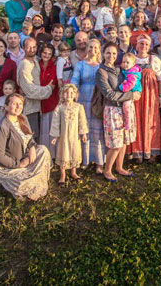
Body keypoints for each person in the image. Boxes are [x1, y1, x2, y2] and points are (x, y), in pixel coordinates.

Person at [0, 93, 51, 201]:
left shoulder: (23, 118)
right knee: (24, 184)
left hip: (23, 157)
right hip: (7, 166)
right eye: (14, 104)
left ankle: (28, 178)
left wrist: (32, 147)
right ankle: (11, 183)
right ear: (6, 106)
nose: (18, 107)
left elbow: (29, 137)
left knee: (43, 150)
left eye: (20, 104)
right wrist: (18, 164)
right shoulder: (3, 126)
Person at [96, 43, 140, 181]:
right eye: (108, 53)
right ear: (103, 54)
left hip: (125, 108)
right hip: (112, 109)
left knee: (125, 140)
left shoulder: (119, 68)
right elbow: (109, 94)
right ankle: (107, 170)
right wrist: (131, 96)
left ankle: (119, 167)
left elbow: (133, 78)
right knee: (116, 144)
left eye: (114, 54)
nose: (111, 56)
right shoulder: (101, 72)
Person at [71, 38, 104, 171]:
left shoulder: (102, 65)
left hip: (97, 98)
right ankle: (85, 159)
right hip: (83, 97)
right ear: (87, 48)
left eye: (96, 47)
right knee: (84, 128)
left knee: (98, 129)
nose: (93, 50)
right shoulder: (80, 65)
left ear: (99, 49)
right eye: (90, 47)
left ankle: (99, 161)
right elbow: (74, 81)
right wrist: (73, 94)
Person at [129, 34, 161, 162]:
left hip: (150, 95)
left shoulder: (153, 60)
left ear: (150, 46)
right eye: (141, 44)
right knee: (136, 120)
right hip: (136, 96)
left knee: (150, 121)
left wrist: (159, 96)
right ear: (136, 45)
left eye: (146, 44)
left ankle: (151, 151)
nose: (143, 46)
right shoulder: (132, 59)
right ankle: (137, 152)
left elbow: (160, 79)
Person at [16, 37, 54, 141]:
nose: (32, 50)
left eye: (34, 47)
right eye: (28, 47)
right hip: (29, 108)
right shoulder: (24, 64)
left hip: (39, 107)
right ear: (23, 48)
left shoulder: (37, 60)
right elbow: (29, 90)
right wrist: (48, 89)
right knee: (31, 138)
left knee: (38, 137)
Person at [50, 84, 88, 183]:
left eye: (72, 93)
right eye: (66, 92)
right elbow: (55, 122)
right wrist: (55, 136)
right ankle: (62, 175)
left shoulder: (79, 107)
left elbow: (82, 121)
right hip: (63, 137)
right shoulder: (60, 108)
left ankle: (73, 172)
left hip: (75, 136)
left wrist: (83, 134)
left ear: (75, 94)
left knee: (74, 151)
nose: (69, 95)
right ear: (62, 94)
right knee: (63, 152)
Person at [38, 43, 60, 156]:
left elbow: (54, 84)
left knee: (50, 130)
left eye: (49, 54)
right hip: (38, 102)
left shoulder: (55, 67)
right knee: (41, 130)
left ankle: (52, 154)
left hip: (51, 101)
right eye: (44, 53)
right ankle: (42, 154)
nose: (46, 55)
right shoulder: (36, 65)